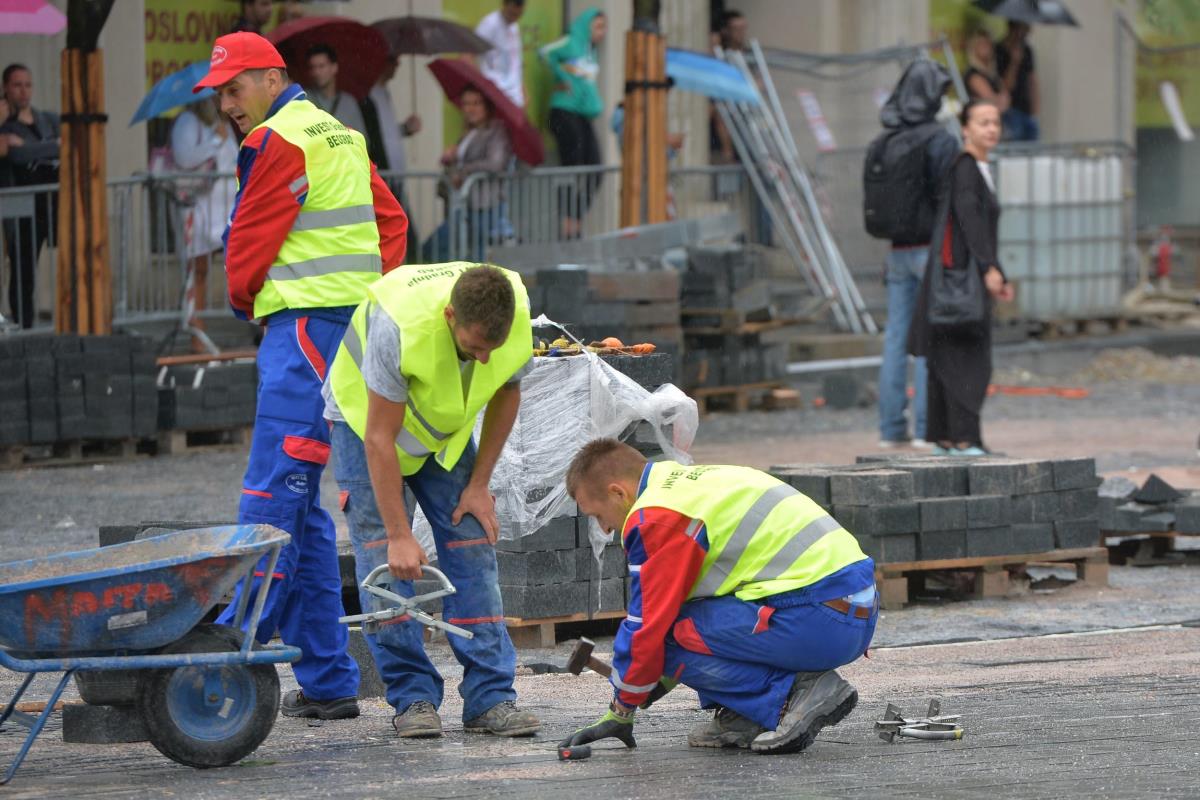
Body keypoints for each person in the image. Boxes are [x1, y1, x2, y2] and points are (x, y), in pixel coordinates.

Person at [192, 31, 409, 720]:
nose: (227, 104)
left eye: (235, 88)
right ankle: (329, 681)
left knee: (269, 499)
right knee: (306, 510)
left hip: (303, 336)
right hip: (349, 332)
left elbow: (248, 242)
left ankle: (230, 661)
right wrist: (375, 296)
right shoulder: (339, 133)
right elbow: (391, 220)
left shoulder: (277, 140)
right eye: (220, 94)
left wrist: (244, 303)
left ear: (270, 76)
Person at [323, 262, 541, 739]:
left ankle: (490, 699)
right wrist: (401, 536)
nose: (484, 359)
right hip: (364, 423)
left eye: (493, 348)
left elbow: (507, 391)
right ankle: (413, 698)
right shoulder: (398, 327)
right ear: (448, 316)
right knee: (384, 561)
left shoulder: (513, 312)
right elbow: (380, 439)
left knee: (472, 541)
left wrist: (479, 483)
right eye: (475, 346)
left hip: (437, 430)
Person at [559, 439, 877, 754]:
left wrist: (622, 709)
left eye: (598, 515)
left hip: (820, 617)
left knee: (665, 632)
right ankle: (747, 713)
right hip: (849, 610)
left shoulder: (655, 516)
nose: (604, 529)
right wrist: (649, 681)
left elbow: (649, 629)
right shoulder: (688, 484)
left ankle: (790, 696)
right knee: (685, 621)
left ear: (618, 492)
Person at [908, 100, 1014, 456]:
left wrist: (997, 267)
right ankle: (964, 438)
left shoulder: (973, 168)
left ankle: (946, 437)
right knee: (968, 358)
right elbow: (970, 221)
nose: (991, 129)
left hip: (955, 279)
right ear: (965, 128)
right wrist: (990, 267)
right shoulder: (967, 167)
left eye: (995, 122)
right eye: (983, 122)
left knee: (947, 358)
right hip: (962, 281)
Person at [871, 60, 958, 449]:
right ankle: (926, 428)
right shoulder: (940, 140)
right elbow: (951, 198)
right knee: (930, 340)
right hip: (931, 249)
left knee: (895, 340)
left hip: (897, 251)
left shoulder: (885, 141)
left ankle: (890, 429)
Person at [168, 96, 238, 352]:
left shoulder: (222, 123)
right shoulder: (187, 122)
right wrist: (216, 140)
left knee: (241, 264)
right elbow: (185, 158)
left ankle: (257, 324)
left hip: (226, 213)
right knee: (198, 270)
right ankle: (196, 331)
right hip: (200, 211)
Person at [422, 87, 514, 262]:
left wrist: (464, 171)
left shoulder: (496, 130)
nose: (470, 109)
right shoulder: (468, 133)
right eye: (466, 104)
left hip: (484, 203)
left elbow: (495, 163)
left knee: (449, 248)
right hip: (463, 204)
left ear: (487, 106)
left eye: (476, 103)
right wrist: (450, 159)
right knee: (461, 251)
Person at [1, 64, 59, 329]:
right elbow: (15, 156)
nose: (24, 91)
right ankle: (23, 322)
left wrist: (33, 148)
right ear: (6, 88)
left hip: (53, 201)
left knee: (66, 258)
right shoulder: (5, 124)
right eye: (17, 85)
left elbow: (64, 144)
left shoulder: (46, 118)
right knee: (23, 267)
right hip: (23, 205)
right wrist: (47, 149)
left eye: (28, 84)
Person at [540, 7, 606, 239]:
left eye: (604, 27)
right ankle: (568, 222)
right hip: (564, 111)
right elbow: (545, 52)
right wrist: (561, 77)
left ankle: (574, 218)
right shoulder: (571, 42)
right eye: (598, 26)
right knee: (572, 165)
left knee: (595, 167)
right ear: (586, 25)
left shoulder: (590, 52)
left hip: (581, 115)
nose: (602, 32)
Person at [359, 52, 422, 246]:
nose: (397, 65)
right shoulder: (368, 97)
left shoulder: (384, 93)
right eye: (392, 60)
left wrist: (405, 129)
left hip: (395, 176)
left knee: (403, 230)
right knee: (401, 232)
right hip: (386, 176)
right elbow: (375, 139)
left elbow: (388, 133)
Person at [475, 0, 527, 109]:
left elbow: (515, 60)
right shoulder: (490, 23)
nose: (515, 18)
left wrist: (522, 89)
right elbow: (469, 54)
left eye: (518, 15)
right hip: (495, 91)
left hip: (514, 94)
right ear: (504, 5)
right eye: (512, 14)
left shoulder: (514, 26)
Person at [305, 44, 367, 135]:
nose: (316, 72)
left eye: (321, 66)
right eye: (312, 67)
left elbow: (363, 139)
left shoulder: (349, 102)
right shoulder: (305, 100)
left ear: (334, 67)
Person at [994, 21, 1039, 141]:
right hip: (1011, 110)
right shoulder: (999, 50)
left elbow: (1032, 79)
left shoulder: (1027, 49)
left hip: (1027, 109)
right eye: (1022, 29)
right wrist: (1014, 62)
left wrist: (1035, 107)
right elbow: (1006, 86)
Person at [963, 31, 1010, 111]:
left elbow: (1007, 97)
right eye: (982, 44)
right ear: (974, 48)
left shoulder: (992, 73)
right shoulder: (973, 74)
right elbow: (993, 101)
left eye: (989, 44)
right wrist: (1000, 99)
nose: (987, 47)